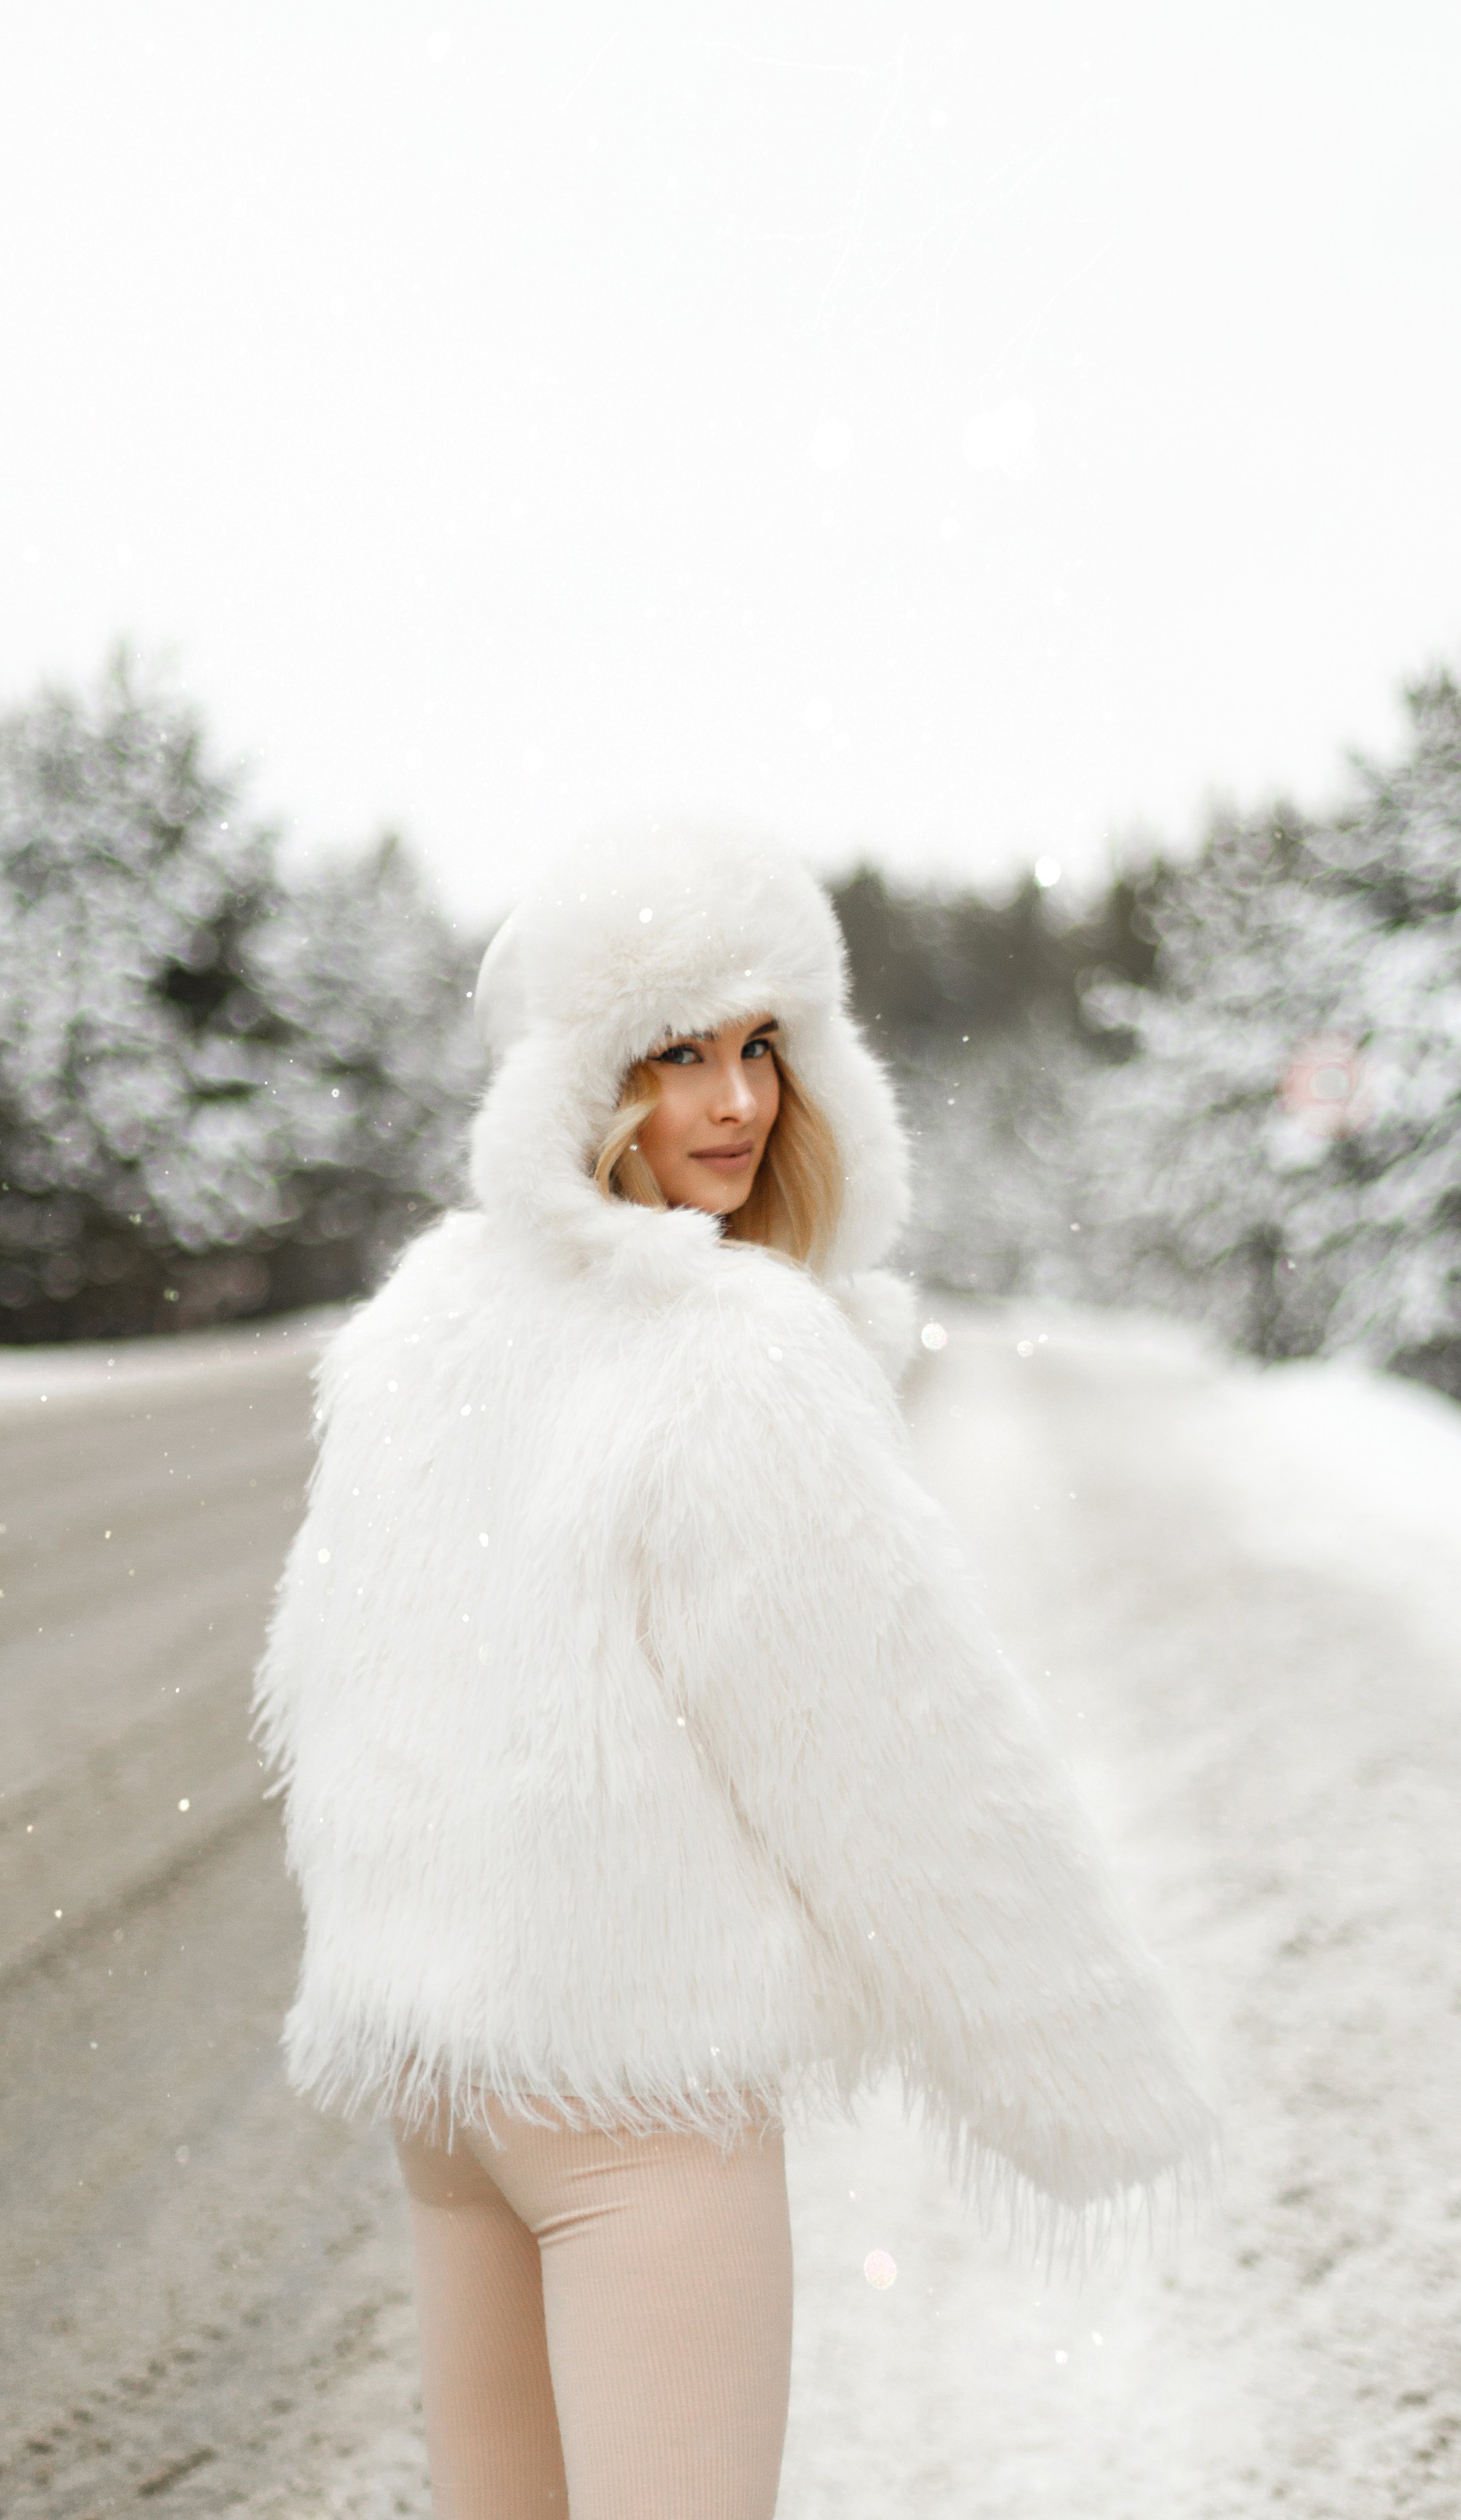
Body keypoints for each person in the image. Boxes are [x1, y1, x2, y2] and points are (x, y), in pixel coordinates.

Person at [254, 819, 1215, 2520]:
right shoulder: (728, 1357)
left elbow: (341, 1687)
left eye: (762, 1045)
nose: (737, 1102)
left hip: (450, 2083)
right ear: (579, 1083)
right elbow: (888, 1753)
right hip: (631, 2081)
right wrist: (1081, 2071)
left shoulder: (422, 1321)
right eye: (675, 1053)